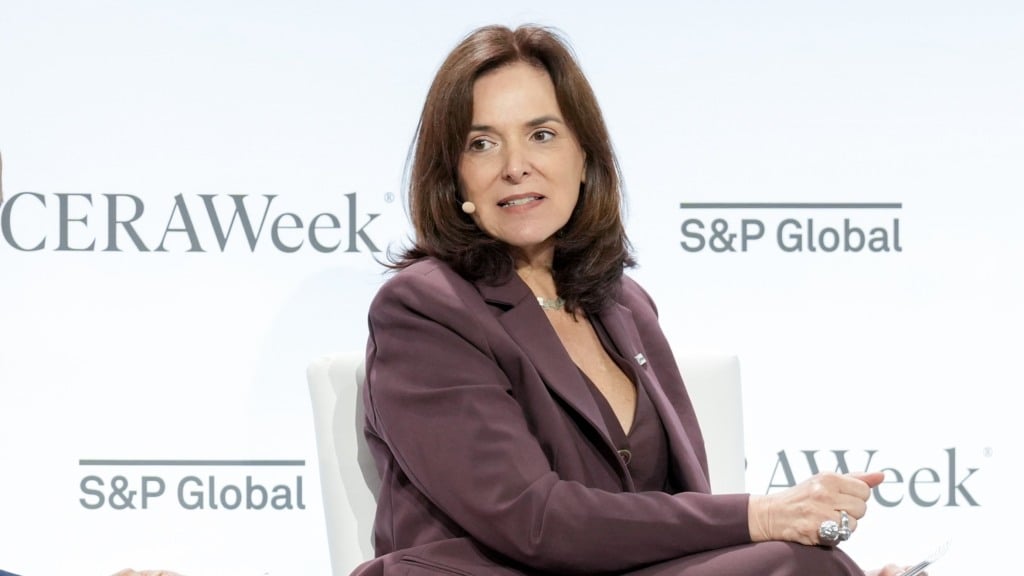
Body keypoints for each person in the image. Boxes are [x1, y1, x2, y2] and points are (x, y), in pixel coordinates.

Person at [353, 24, 916, 576]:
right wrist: (762, 516)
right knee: (793, 562)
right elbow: (533, 521)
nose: (515, 166)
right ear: (454, 179)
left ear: (583, 157)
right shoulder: (425, 309)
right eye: (482, 144)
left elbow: (676, 517)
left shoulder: (623, 304)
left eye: (542, 135)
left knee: (811, 563)